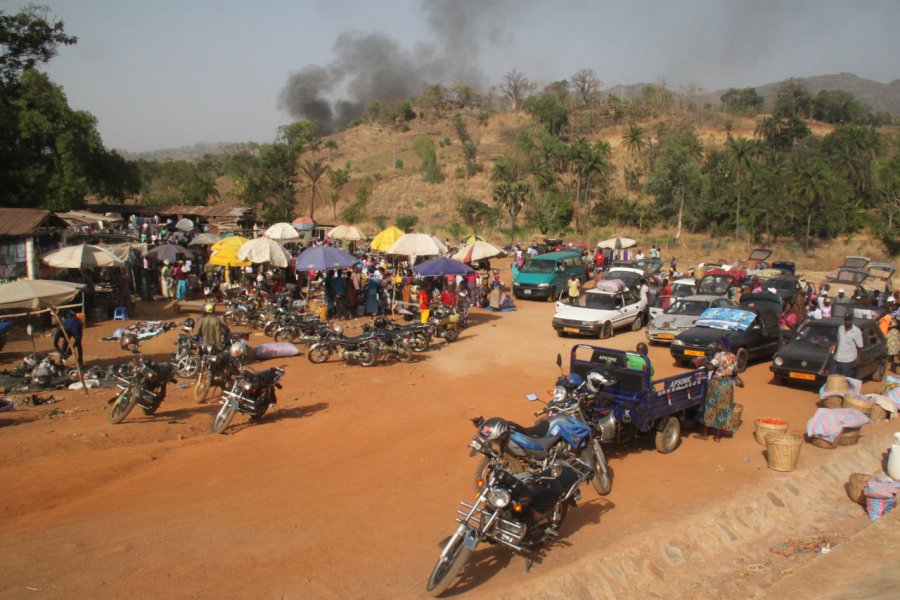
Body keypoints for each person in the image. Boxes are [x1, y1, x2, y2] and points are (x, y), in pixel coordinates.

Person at [701, 337, 739, 442]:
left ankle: (705, 434)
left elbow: (710, 367)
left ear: (723, 346)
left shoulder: (719, 355)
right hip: (727, 385)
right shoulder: (733, 357)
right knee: (722, 409)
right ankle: (717, 437)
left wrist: (703, 362)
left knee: (711, 407)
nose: (716, 346)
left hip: (716, 383)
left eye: (718, 344)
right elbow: (735, 371)